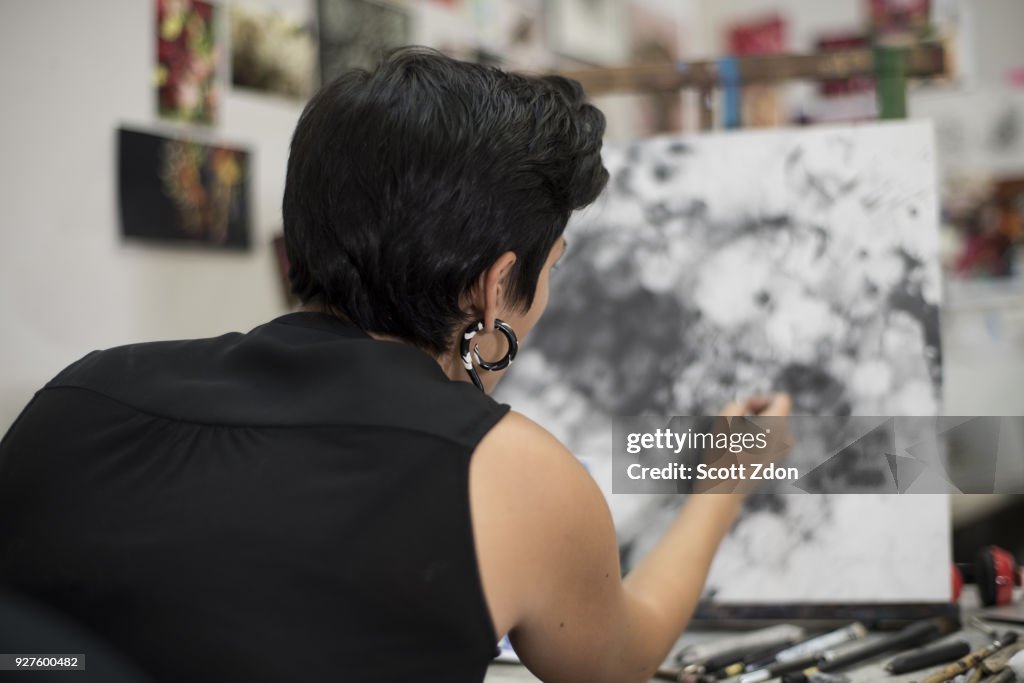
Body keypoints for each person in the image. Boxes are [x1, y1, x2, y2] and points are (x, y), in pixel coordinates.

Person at [0, 48, 790, 683]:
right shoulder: (506, 471)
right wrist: (724, 483)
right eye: (552, 269)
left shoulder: (77, 395)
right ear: (492, 286)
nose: (545, 296)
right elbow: (621, 659)